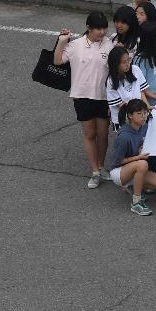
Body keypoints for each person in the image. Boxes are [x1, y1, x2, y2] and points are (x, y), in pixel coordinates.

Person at [55, 12, 114, 189]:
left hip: (103, 97)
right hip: (82, 96)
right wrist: (62, 41)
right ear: (89, 28)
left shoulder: (109, 45)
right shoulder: (75, 45)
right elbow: (58, 61)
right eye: (98, 29)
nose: (101, 32)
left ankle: (101, 167)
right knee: (90, 134)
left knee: (103, 135)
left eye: (104, 28)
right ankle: (95, 171)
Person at [109, 99, 156, 216]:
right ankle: (136, 203)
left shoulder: (145, 127)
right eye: (139, 113)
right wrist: (139, 157)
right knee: (142, 164)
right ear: (130, 116)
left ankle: (132, 187)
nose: (143, 116)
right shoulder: (124, 137)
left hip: (136, 168)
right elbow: (118, 161)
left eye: (145, 113)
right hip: (119, 172)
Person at [106, 45, 156, 129]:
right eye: (124, 62)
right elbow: (121, 106)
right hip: (125, 118)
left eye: (128, 60)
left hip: (138, 114)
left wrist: (147, 106)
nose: (127, 64)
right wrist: (138, 114)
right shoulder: (111, 81)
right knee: (127, 136)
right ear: (115, 64)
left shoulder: (135, 69)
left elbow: (140, 91)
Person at [133, 20, 156, 98]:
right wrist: (152, 96)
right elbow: (138, 84)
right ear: (154, 37)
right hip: (151, 101)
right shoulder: (140, 60)